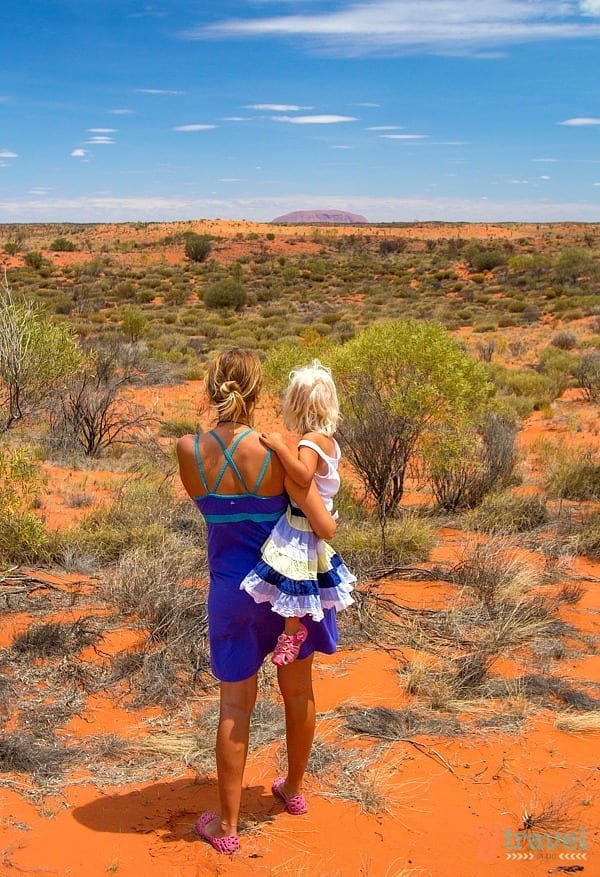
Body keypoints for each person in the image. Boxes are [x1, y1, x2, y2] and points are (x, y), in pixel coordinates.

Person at [176, 348, 339, 855]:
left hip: (230, 592)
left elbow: (211, 510)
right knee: (298, 692)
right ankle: (292, 790)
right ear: (257, 392)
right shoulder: (282, 448)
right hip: (285, 589)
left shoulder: (187, 450)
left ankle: (226, 827)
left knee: (234, 706)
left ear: (210, 388)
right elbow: (316, 518)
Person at [240, 360, 355, 666]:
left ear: (296, 405)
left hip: (302, 524)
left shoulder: (311, 441)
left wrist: (280, 448)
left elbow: (303, 476)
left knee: (293, 575)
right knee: (298, 577)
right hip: (311, 519)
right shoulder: (328, 441)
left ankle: (292, 633)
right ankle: (291, 630)